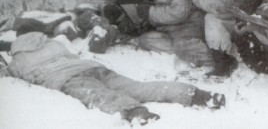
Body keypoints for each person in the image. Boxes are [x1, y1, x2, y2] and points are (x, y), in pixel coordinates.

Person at [1, 30, 225, 125]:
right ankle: (196, 94)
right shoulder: (52, 43)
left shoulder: (18, 60)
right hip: (93, 67)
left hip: (71, 79)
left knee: (100, 96)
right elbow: (71, 53)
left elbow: (8, 78)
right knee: (139, 88)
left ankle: (135, 112)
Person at [130, 0, 212, 66]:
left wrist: (150, 12)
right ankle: (185, 52)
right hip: (171, 31)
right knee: (145, 40)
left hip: (189, 27)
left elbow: (180, 14)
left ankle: (211, 60)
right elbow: (159, 17)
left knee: (181, 45)